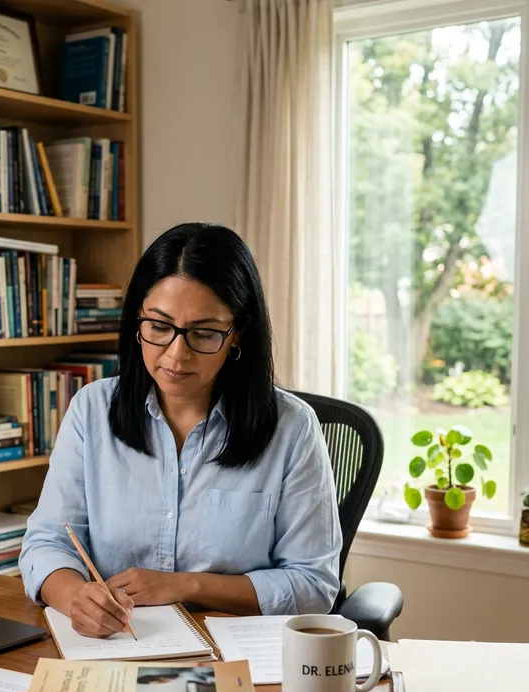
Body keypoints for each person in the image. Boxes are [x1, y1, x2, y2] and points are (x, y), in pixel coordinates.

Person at [18, 222, 341, 638]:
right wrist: (75, 597)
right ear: (137, 321)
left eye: (204, 333)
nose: (176, 354)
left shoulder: (292, 428)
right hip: (115, 648)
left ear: (236, 333)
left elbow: (314, 585)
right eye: (159, 327)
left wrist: (185, 585)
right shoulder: (92, 410)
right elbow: (46, 543)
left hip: (236, 655)